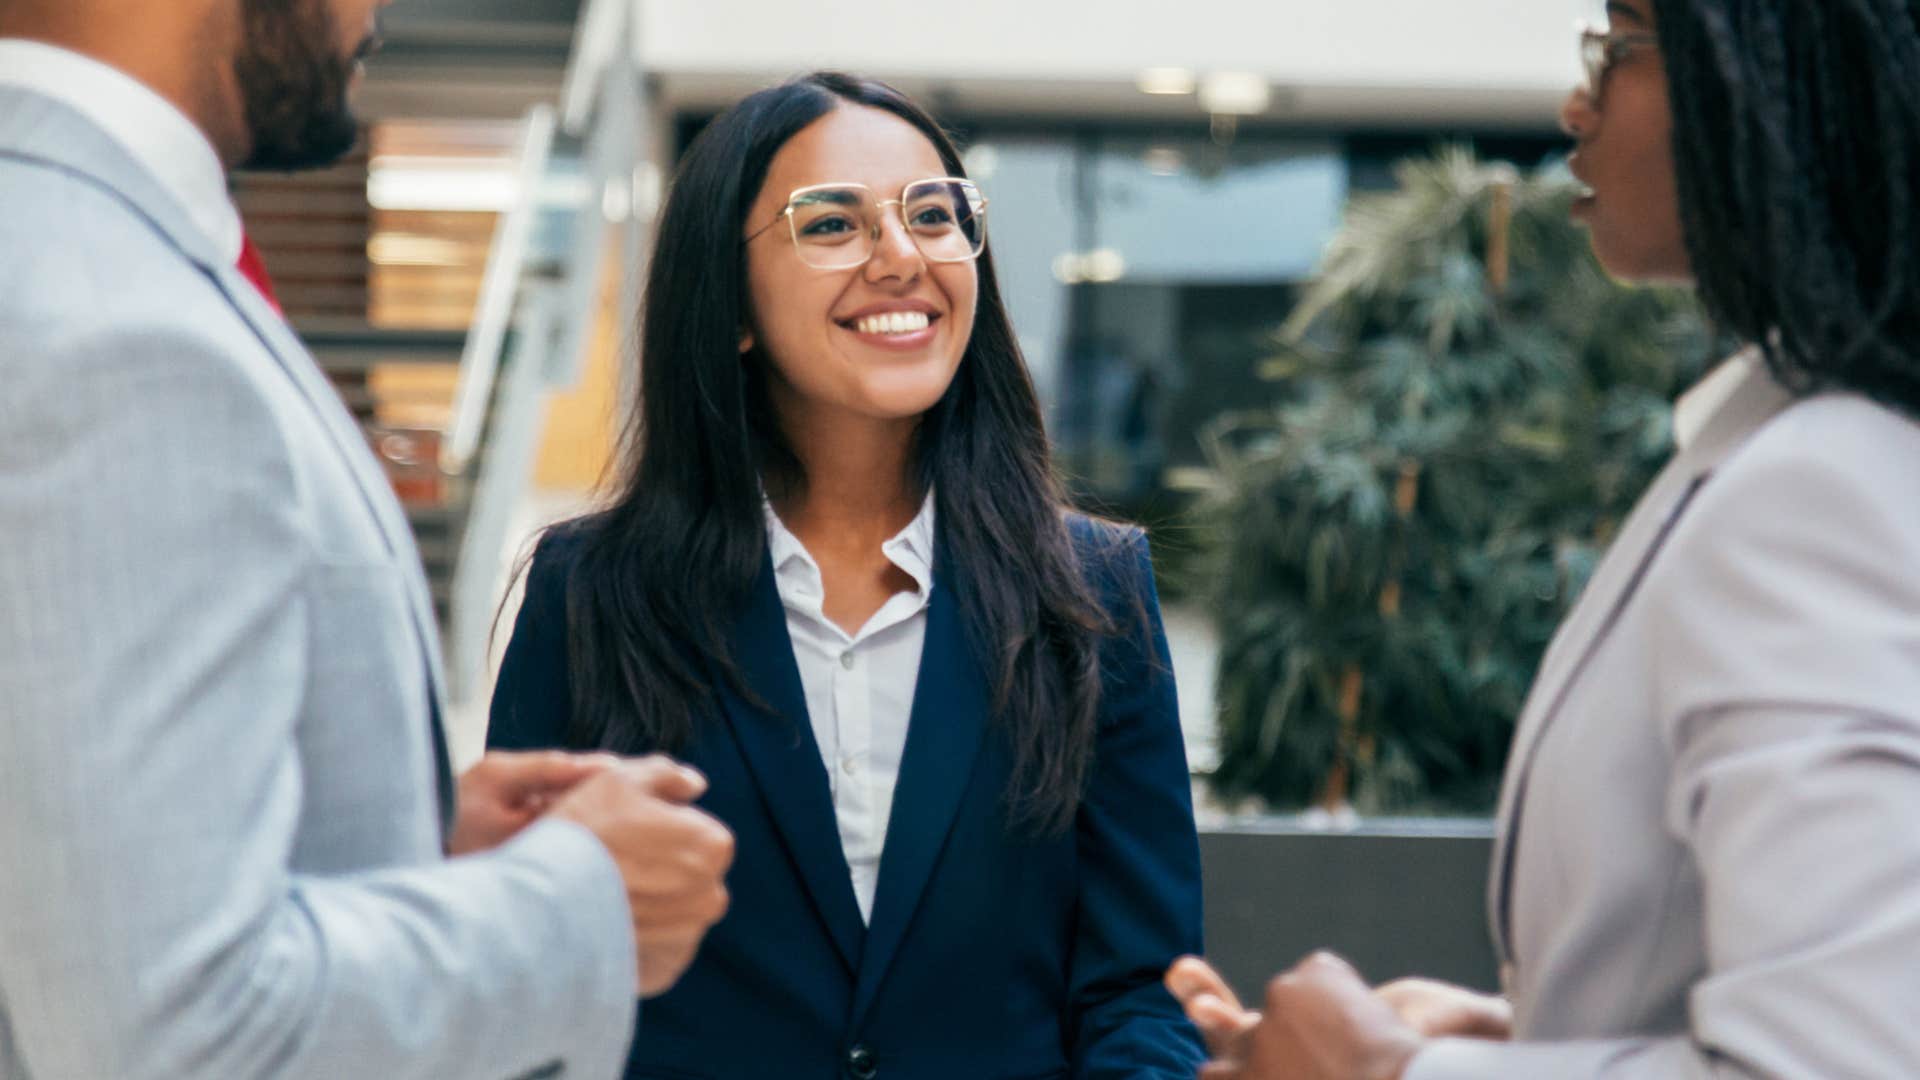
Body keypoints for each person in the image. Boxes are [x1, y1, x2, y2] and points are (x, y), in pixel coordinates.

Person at [1166, 0, 1920, 1076]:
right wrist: (1527, 1036)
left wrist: (1391, 1072)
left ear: (1780, 75)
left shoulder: (1821, 488)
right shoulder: (1799, 450)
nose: (1577, 103)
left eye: (1618, 48)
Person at [0, 1, 734, 1077]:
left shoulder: (76, 254)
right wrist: (579, 901)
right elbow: (176, 1034)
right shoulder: (115, 330)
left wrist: (395, 844)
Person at [488, 72, 1206, 1079]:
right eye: (831, 225)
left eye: (934, 215)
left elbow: (1140, 988)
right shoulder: (590, 591)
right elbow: (530, 966)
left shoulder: (1092, 593)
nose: (902, 257)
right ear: (731, 304)